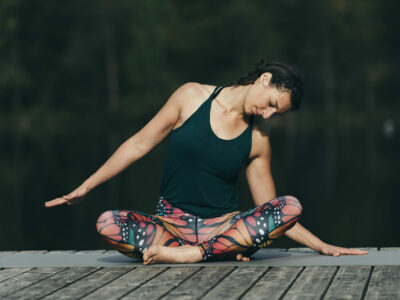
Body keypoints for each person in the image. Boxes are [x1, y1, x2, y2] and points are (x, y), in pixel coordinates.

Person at [45, 60, 368, 265]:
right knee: (108, 224)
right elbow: (139, 144)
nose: (268, 115)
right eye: (271, 104)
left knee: (290, 206)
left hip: (225, 228)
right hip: (171, 228)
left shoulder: (258, 139)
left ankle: (197, 254)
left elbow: (270, 209)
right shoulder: (190, 97)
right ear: (264, 79)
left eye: (276, 114)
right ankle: (209, 252)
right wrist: (85, 186)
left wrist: (320, 245)